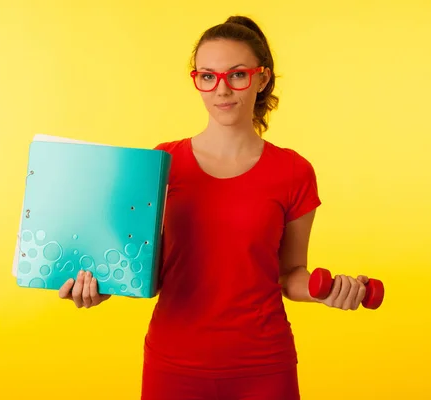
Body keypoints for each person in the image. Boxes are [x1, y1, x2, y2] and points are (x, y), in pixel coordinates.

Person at [58, 15, 369, 400]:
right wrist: (101, 286)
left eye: (237, 75)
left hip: (264, 365)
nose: (221, 90)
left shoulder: (294, 171)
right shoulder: (163, 162)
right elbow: (143, 271)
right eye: (207, 76)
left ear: (262, 78)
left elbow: (289, 274)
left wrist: (333, 290)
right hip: (173, 363)